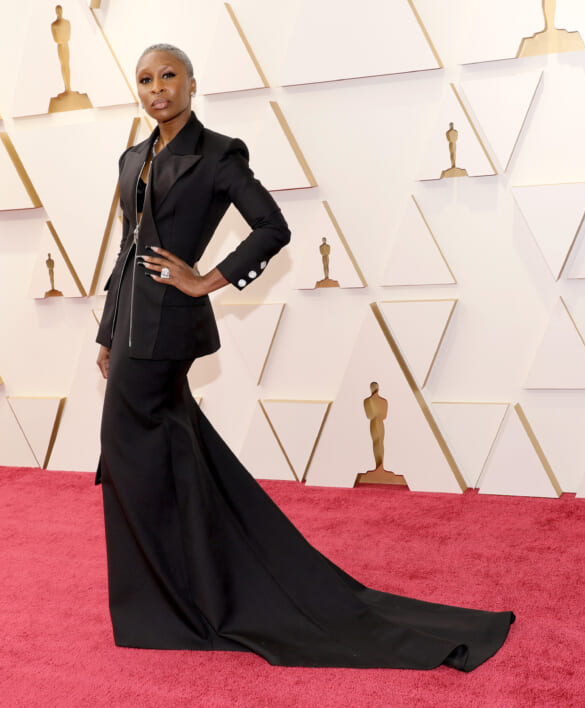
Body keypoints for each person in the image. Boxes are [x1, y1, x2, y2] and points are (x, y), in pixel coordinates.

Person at [94, 43, 513, 671]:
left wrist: (204, 281)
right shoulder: (132, 158)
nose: (157, 88)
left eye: (169, 76)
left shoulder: (218, 154)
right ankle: (189, 592)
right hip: (128, 325)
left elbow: (273, 227)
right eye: (146, 79)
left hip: (165, 333)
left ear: (192, 83)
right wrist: (107, 331)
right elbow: (128, 250)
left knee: (133, 458)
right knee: (169, 460)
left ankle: (171, 604)